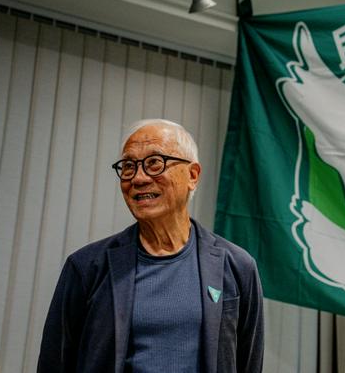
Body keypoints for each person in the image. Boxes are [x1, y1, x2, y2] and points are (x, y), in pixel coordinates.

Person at [37, 119, 264, 373]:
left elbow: (249, 363)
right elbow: (54, 363)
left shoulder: (236, 266)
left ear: (192, 175)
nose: (138, 178)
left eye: (155, 163)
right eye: (128, 166)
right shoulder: (86, 267)